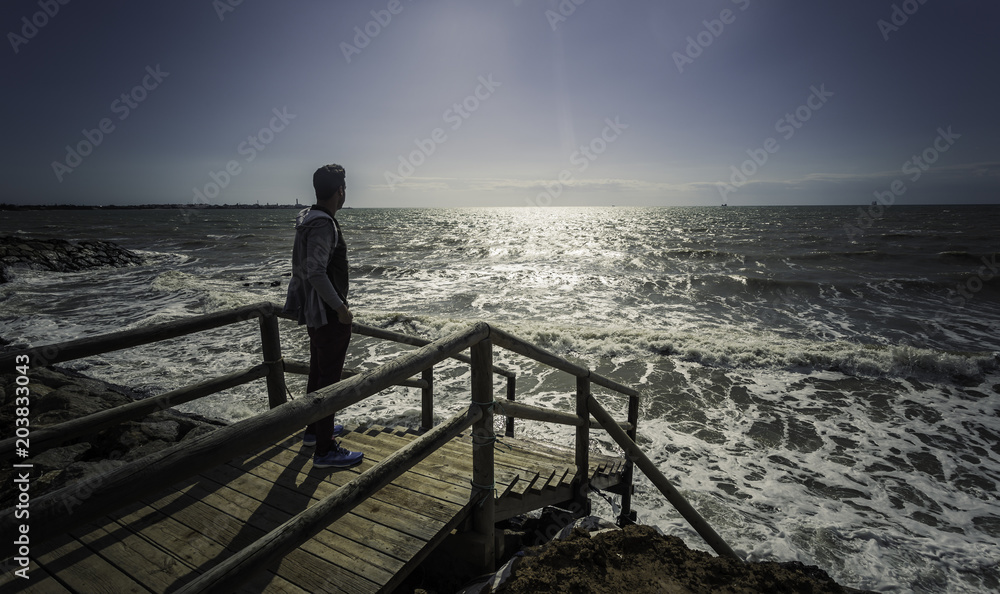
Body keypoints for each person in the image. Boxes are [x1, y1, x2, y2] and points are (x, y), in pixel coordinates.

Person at [283, 163, 363, 468]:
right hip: (328, 315)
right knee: (329, 382)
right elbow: (316, 271)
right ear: (339, 191)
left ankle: (315, 431)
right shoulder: (324, 224)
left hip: (314, 313)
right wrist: (341, 309)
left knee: (318, 374)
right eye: (344, 189)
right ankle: (325, 450)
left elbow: (305, 270)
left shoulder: (307, 218)